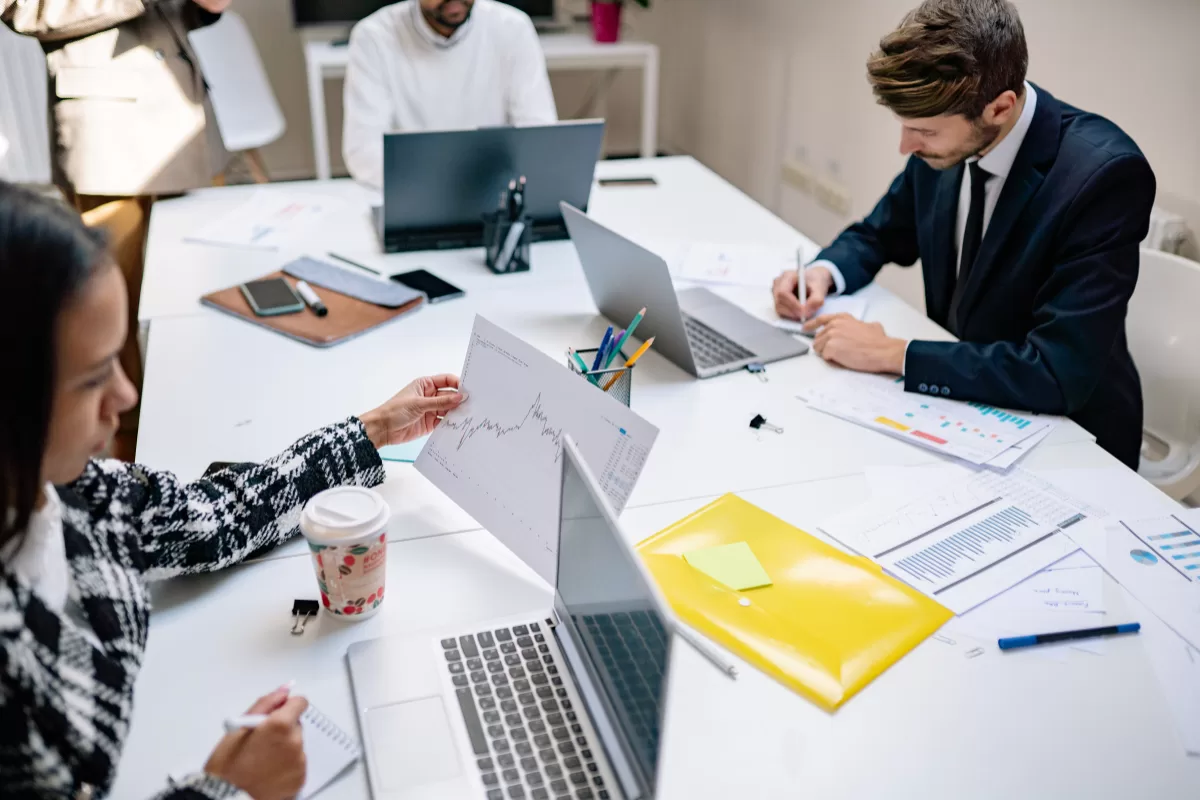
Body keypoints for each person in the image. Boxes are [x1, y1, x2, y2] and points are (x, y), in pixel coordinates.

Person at [0, 181, 467, 799]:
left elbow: (216, 516)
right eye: (91, 380)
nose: (126, 397)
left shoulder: (75, 492)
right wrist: (226, 790)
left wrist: (375, 428)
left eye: (119, 360)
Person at [772, 0, 1155, 469]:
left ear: (999, 108)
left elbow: (1057, 372)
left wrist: (896, 354)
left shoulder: (1104, 178)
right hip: (962, 416)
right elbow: (880, 233)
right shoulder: (944, 148)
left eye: (924, 132)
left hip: (1069, 442)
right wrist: (822, 274)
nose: (906, 147)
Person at [2, 0, 238, 457]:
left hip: (183, 124)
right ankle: (129, 467)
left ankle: (204, 443)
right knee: (114, 317)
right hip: (106, 135)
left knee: (201, 303)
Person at [343, 0, 559, 189]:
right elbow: (363, 152)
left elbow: (539, 132)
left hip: (495, 193)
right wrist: (442, 183)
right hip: (412, 195)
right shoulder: (374, 36)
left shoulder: (512, 28)